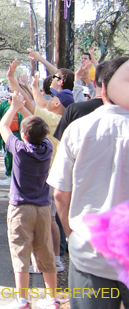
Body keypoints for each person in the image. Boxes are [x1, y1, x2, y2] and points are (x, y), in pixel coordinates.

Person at [48, 57, 129, 309]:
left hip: (90, 254)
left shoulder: (78, 129)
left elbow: (60, 194)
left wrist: (72, 235)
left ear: (101, 87)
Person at [0, 91, 58, 309]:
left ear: (23, 134)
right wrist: (22, 106)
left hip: (20, 208)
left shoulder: (20, 150)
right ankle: (52, 298)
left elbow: (3, 127)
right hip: (42, 208)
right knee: (45, 251)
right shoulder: (48, 149)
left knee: (20, 251)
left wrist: (14, 106)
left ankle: (22, 299)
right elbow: (34, 128)